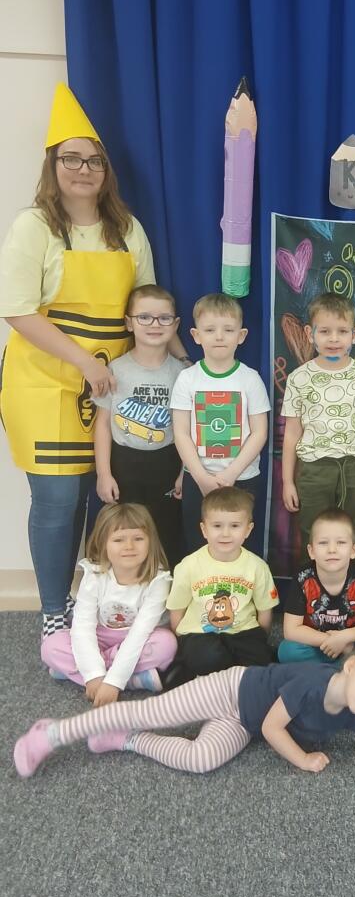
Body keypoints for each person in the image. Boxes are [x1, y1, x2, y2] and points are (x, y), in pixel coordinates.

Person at [0, 84, 183, 638]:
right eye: (71, 159)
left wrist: (189, 363)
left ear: (106, 171)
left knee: (110, 495)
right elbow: (16, 309)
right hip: (45, 382)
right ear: (52, 165)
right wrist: (83, 361)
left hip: (114, 387)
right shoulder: (34, 226)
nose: (83, 170)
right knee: (59, 498)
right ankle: (55, 609)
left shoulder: (126, 230)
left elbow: (147, 303)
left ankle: (106, 604)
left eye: (94, 161)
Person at [15, 642, 355, 778]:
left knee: (202, 760)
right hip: (228, 691)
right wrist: (303, 760)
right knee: (148, 713)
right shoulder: (312, 683)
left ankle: (124, 740)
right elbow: (273, 729)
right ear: (351, 666)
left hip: (243, 721)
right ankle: (52, 733)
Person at [280, 292, 355, 561]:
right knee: (312, 529)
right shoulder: (299, 378)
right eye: (325, 331)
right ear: (310, 334)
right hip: (314, 468)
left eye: (342, 331)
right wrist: (287, 481)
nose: (334, 339)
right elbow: (292, 433)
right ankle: (311, 584)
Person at [40, 502, 176, 700]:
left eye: (138, 538)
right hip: (100, 635)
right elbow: (83, 628)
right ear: (103, 543)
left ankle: (77, 673)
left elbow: (140, 633)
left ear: (150, 542)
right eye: (119, 540)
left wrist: (114, 681)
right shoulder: (93, 574)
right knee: (51, 646)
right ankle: (133, 681)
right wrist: (94, 675)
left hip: (136, 639)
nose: (129, 546)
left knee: (166, 644)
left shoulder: (158, 580)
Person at [171, 292, 270, 556]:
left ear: (241, 335)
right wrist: (200, 477)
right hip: (197, 478)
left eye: (228, 330)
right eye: (210, 330)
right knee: (199, 548)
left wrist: (230, 474)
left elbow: (259, 433)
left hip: (242, 478)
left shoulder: (250, 379)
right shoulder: (187, 379)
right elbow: (181, 433)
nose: (219, 336)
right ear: (196, 335)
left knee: (240, 549)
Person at [93, 283, 185, 567]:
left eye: (164, 318)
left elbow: (189, 431)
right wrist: (103, 474)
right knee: (125, 532)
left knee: (166, 532)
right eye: (144, 317)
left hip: (167, 461)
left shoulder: (184, 374)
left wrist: (185, 472)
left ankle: (165, 586)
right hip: (124, 464)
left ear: (175, 325)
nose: (154, 324)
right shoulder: (115, 370)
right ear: (129, 323)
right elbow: (103, 425)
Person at [162, 487, 277, 687]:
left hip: (243, 631)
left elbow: (265, 611)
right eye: (217, 526)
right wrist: (181, 641)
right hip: (200, 633)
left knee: (260, 661)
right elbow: (177, 609)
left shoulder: (257, 566)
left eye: (235, 526)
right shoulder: (188, 565)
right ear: (204, 529)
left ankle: (220, 677)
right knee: (206, 657)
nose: (225, 534)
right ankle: (202, 671)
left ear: (248, 530)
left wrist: (259, 639)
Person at [278, 508, 355, 664]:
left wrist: (345, 638)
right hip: (317, 643)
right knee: (287, 651)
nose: (332, 550)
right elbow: (291, 630)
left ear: (353, 550)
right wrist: (332, 641)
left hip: (351, 642)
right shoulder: (303, 579)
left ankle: (329, 667)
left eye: (341, 542)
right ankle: (348, 666)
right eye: (323, 543)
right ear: (311, 551)